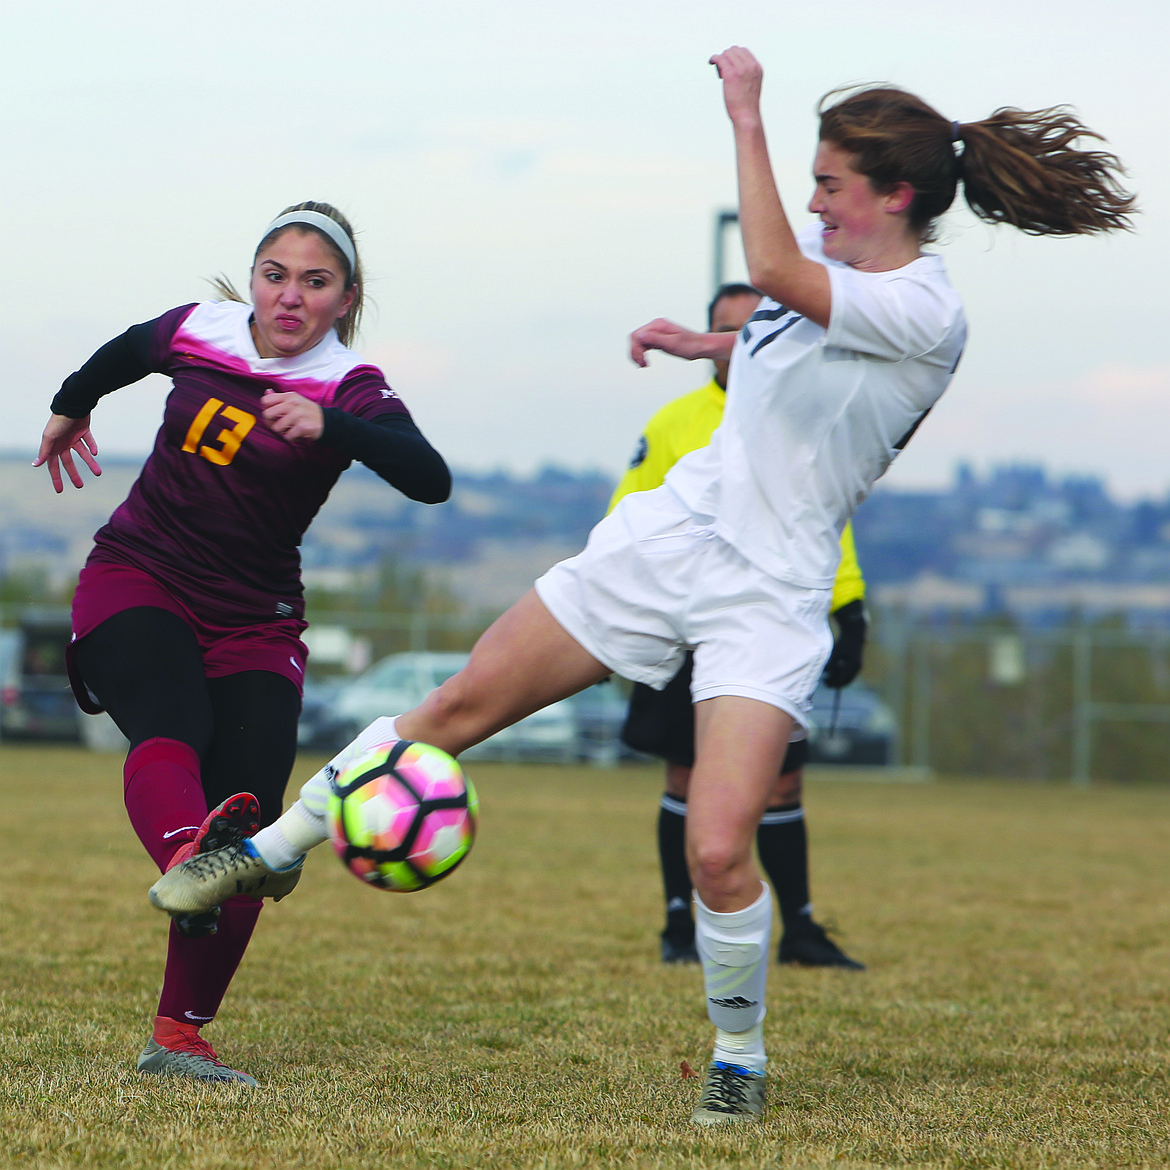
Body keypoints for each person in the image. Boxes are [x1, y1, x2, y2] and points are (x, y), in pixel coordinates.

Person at [152, 50, 1134, 1123]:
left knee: (718, 849)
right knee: (456, 709)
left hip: (771, 592)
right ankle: (262, 855)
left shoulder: (926, 308)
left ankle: (740, 1056)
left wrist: (747, 116)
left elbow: (788, 278)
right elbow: (790, 327)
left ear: (893, 196)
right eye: (807, 179)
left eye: (830, 183)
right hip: (668, 539)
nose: (812, 201)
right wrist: (703, 340)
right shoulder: (839, 269)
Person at [34, 201, 450, 1086]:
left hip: (256, 617)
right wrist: (71, 408)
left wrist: (332, 428)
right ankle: (194, 858)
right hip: (137, 575)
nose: (289, 296)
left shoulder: (350, 385)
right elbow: (123, 351)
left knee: (255, 812)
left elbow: (431, 478)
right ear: (251, 277)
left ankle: (178, 1038)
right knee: (173, 725)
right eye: (275, 275)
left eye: (315, 281)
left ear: (345, 298)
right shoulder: (201, 326)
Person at [610, 282, 867, 969]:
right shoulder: (674, 421)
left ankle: (803, 929)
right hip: (685, 625)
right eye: (729, 331)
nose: (744, 345)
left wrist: (850, 606)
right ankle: (677, 926)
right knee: (684, 778)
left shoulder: (799, 422)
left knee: (784, 785)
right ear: (708, 343)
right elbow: (628, 513)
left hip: (769, 627)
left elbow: (824, 522)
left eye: (755, 330)